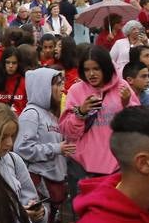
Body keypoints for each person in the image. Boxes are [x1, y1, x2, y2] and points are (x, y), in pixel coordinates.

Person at [59, 46, 138, 187]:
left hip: (117, 164)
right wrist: (81, 112)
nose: (91, 74)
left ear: (106, 68)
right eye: (87, 70)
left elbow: (137, 124)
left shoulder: (122, 86)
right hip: (83, 167)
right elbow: (68, 131)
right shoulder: (76, 90)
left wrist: (126, 104)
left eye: (96, 69)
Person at [16, 67, 76, 223]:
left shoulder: (50, 114)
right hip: (38, 185)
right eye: (57, 84)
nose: (62, 88)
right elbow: (22, 148)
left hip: (52, 183)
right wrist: (56, 149)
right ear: (43, 87)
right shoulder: (31, 114)